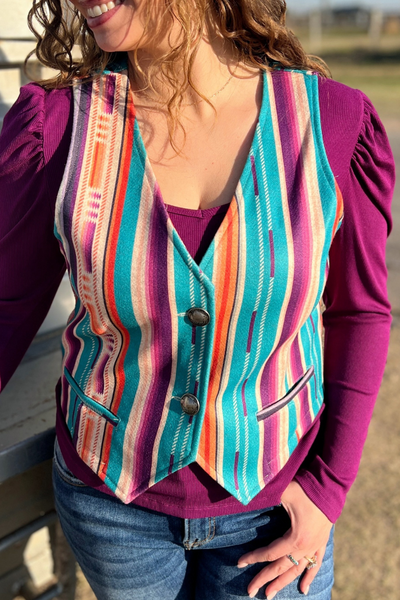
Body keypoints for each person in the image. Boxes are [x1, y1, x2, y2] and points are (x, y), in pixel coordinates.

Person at [0, 0, 395, 598]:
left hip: (273, 509)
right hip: (112, 506)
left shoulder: (332, 123)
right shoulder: (59, 128)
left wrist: (328, 488)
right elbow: (6, 306)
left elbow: (358, 312)